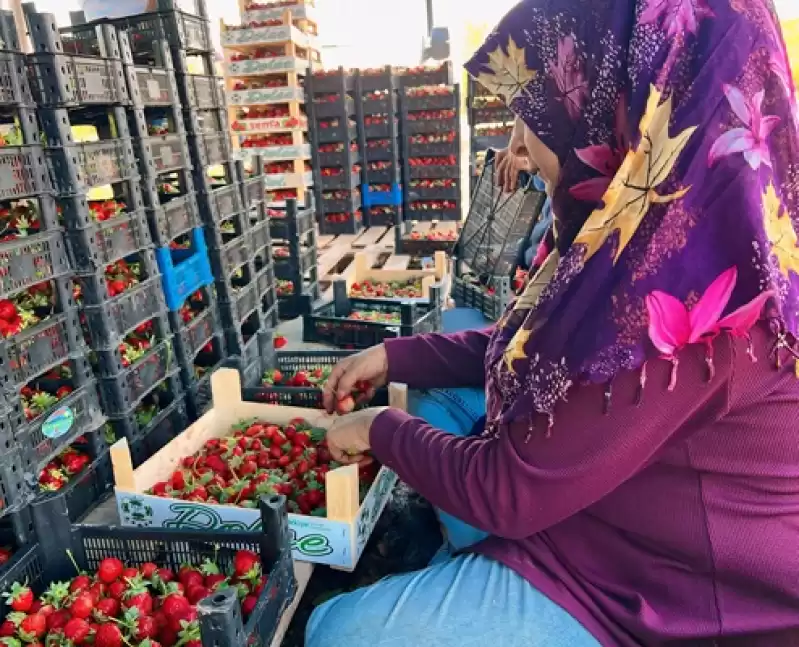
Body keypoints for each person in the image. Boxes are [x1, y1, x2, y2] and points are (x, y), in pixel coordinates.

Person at [306, 0, 799, 645]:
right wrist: (396, 358)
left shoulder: (698, 308)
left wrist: (381, 429)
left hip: (654, 592)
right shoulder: (665, 232)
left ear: (616, 102)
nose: (518, 137)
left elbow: (506, 494)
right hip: (600, 513)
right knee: (441, 395)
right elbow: (553, 359)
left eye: (539, 106)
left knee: (339, 631)